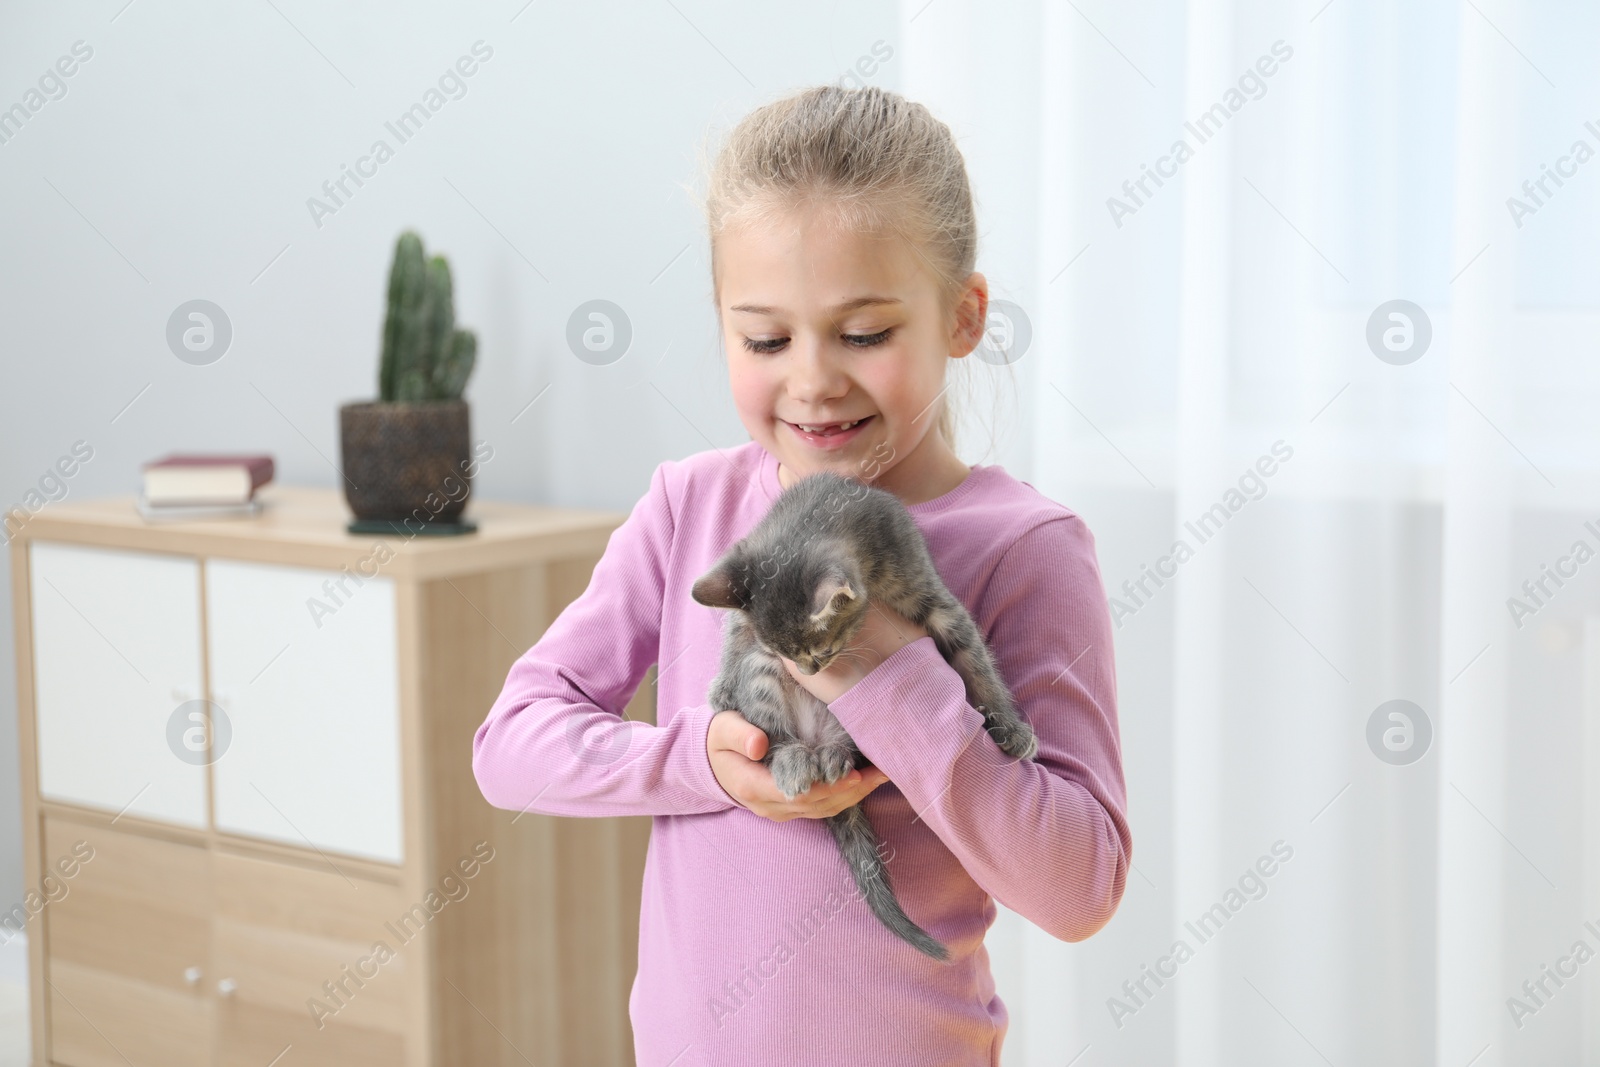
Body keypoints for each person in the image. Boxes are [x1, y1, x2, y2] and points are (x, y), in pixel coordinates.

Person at [472, 83, 1131, 1066]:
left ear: (962, 315)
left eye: (863, 332)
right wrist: (704, 761)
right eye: (766, 338)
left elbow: (1076, 886)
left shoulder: (1021, 544)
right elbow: (509, 743)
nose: (813, 379)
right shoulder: (689, 506)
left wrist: (882, 666)